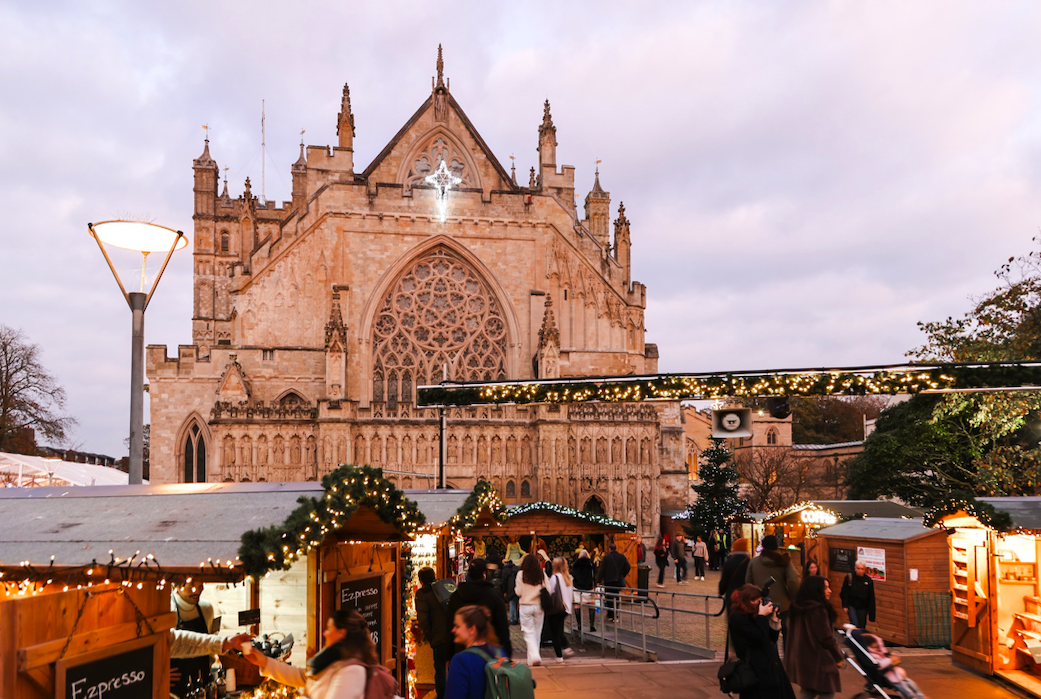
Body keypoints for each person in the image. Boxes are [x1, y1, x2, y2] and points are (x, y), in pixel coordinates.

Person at [245, 608, 391, 699]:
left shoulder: (352, 671)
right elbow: (304, 677)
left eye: (329, 628)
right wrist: (265, 662)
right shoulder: (332, 659)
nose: (325, 633)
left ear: (341, 633)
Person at [728, 583, 796, 699]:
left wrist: (774, 620)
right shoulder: (738, 617)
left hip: (771, 669)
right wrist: (761, 616)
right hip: (756, 671)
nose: (760, 603)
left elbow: (770, 639)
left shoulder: (754, 615)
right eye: (757, 600)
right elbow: (757, 637)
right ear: (749, 600)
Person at [785, 576, 843, 699]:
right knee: (827, 691)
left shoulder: (796, 607)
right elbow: (826, 637)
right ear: (816, 590)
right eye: (825, 588)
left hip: (801, 659)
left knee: (808, 691)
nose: (830, 591)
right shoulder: (817, 609)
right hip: (818, 660)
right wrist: (838, 656)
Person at [170, 583, 230, 697]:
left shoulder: (206, 608)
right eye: (191, 587)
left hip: (202, 681)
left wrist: (209, 668)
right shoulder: (168, 611)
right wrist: (157, 673)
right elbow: (165, 644)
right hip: (176, 686)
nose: (197, 591)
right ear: (176, 585)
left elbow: (209, 640)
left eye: (200, 585)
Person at [446, 558, 512, 661]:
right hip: (489, 653)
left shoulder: (456, 596)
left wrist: (448, 655)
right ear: (484, 574)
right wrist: (506, 652)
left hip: (461, 651)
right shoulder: (493, 596)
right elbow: (502, 627)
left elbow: (449, 625)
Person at [745, 535, 800, 648]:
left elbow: (748, 583)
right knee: (788, 639)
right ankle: (788, 659)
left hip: (761, 605)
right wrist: (791, 596)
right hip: (783, 605)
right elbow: (794, 581)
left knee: (766, 637)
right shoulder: (784, 561)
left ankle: (770, 658)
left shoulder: (754, 562)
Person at [445, 605, 505, 699]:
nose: (453, 630)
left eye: (457, 626)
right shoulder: (499, 652)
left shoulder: (461, 660)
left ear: (472, 629)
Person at [416, 567, 450, 699]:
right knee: (453, 666)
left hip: (439, 637)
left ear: (421, 581)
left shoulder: (422, 594)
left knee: (440, 669)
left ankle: (442, 696)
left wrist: (431, 636)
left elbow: (423, 619)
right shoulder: (443, 588)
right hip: (453, 634)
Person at [863, 634, 928, 699]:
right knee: (904, 687)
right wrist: (890, 660)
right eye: (873, 647)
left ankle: (921, 696)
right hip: (888, 677)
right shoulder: (872, 656)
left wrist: (893, 656)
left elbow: (886, 656)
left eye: (877, 647)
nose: (876, 649)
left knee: (911, 683)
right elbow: (880, 665)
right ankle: (912, 697)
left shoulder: (880, 653)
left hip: (896, 675)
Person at [513, 553, 548, 666]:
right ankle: (532, 658)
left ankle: (534, 656)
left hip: (525, 605)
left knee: (528, 632)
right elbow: (549, 589)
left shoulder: (520, 574)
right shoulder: (541, 574)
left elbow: (518, 592)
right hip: (539, 605)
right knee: (537, 632)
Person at [546, 557, 575, 662]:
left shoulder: (555, 578)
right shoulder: (569, 578)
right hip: (566, 608)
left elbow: (550, 591)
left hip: (556, 608)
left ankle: (559, 656)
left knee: (554, 632)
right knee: (559, 630)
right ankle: (566, 647)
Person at [597, 542, 631, 623]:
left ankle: (611, 614)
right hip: (617, 581)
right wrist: (622, 575)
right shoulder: (621, 557)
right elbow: (628, 566)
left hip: (609, 581)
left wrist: (598, 580)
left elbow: (602, 570)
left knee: (609, 598)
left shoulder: (606, 558)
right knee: (616, 597)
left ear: (609, 549)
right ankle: (615, 614)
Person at [718, 537, 751, 613]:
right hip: (746, 594)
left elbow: (724, 580)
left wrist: (721, 591)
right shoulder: (749, 562)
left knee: (732, 615)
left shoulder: (729, 562)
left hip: (732, 594)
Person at [840, 561, 876, 629]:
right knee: (854, 624)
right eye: (858, 568)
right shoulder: (849, 578)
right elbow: (844, 592)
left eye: (862, 569)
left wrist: (872, 614)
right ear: (855, 568)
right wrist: (845, 605)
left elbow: (871, 597)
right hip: (851, 605)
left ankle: (860, 635)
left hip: (863, 606)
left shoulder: (868, 580)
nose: (860, 571)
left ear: (864, 569)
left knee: (861, 626)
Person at [571, 549, 597, 632]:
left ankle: (579, 625)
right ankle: (592, 625)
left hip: (578, 587)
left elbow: (573, 574)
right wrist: (595, 585)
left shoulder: (576, 564)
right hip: (589, 587)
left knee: (577, 605)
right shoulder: (591, 564)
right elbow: (594, 575)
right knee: (591, 604)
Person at [501, 558, 520, 625]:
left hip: (510, 588)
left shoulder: (505, 570)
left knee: (512, 603)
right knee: (517, 603)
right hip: (518, 587)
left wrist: (504, 591)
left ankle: (512, 619)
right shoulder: (516, 569)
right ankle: (517, 618)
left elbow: (504, 581)